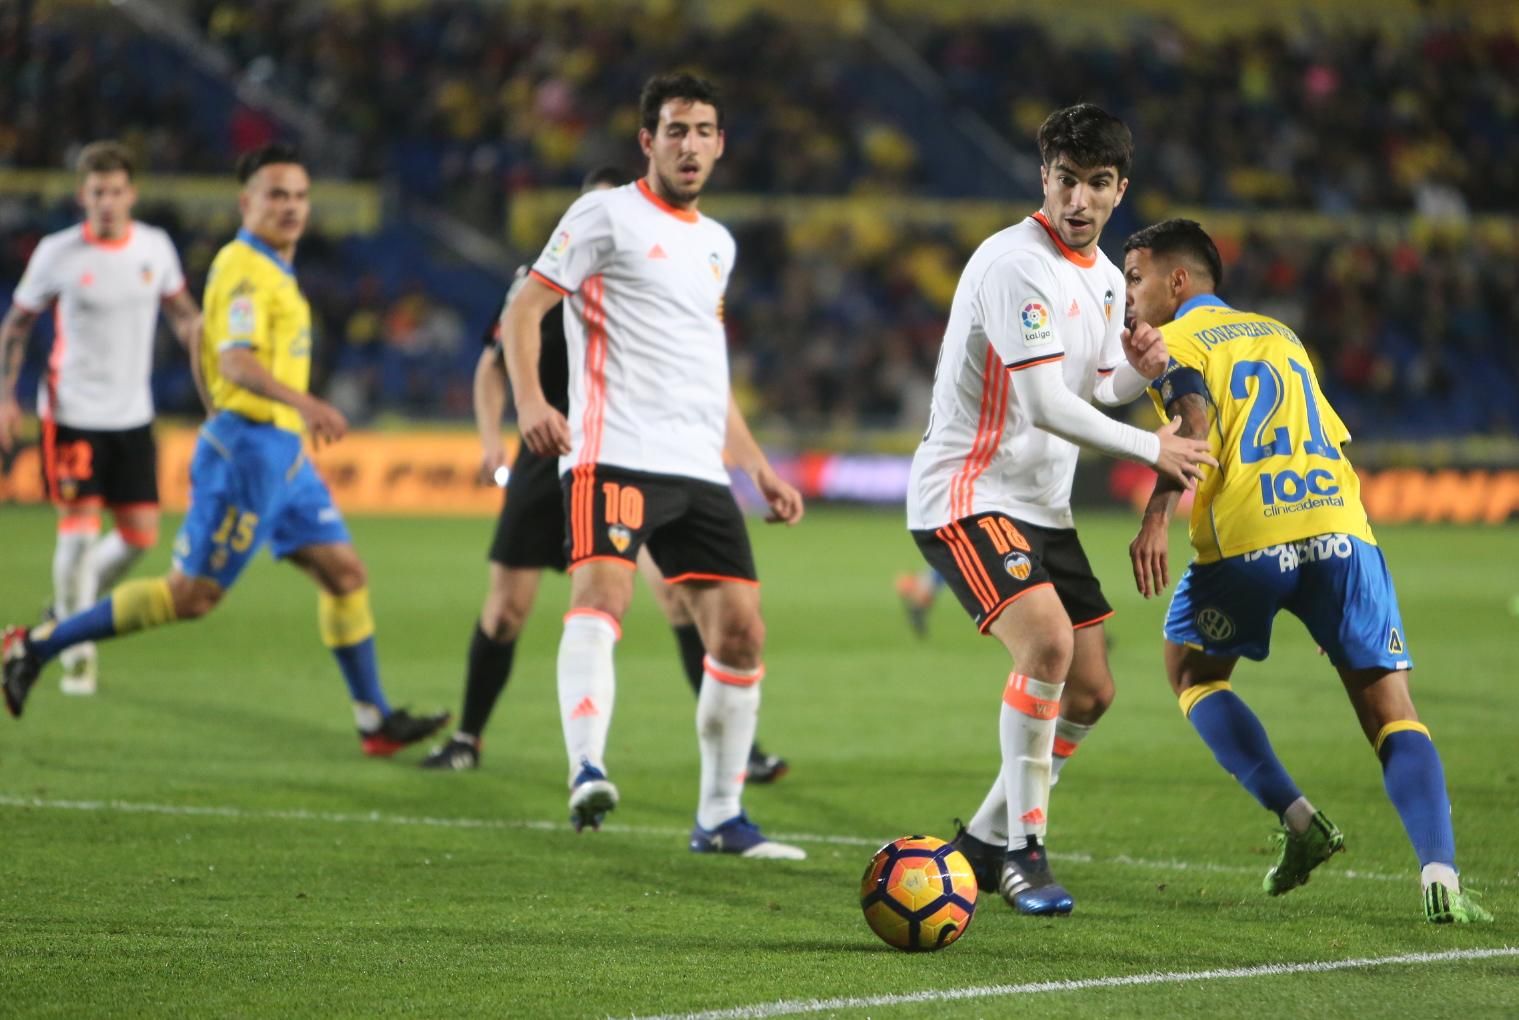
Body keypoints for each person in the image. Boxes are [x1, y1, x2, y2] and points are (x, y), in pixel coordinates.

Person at [3, 143, 450, 756]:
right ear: (247, 202)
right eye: (276, 195)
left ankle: (374, 719)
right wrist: (301, 404)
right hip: (250, 454)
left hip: (284, 455)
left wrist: (222, 408)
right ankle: (35, 646)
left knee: (345, 573)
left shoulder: (272, 267)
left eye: (299, 196)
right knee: (191, 596)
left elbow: (198, 336)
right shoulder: (244, 269)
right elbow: (235, 360)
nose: (291, 207)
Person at [1122, 218, 1491, 924]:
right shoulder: (1281, 335)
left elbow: (1192, 423)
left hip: (1249, 536)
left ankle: (1299, 821)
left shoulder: (1175, 342)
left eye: (1136, 278)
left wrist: (1155, 517)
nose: (1129, 295)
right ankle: (1440, 875)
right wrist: (1329, 588)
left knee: (1192, 674)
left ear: (1179, 280)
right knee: (1393, 714)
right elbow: (1327, 436)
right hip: (1339, 530)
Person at [907, 103, 1216, 915]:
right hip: (968, 493)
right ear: (1042, 178)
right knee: (1046, 644)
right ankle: (1024, 854)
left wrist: (1137, 365)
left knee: (1089, 691)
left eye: (1097, 183)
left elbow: (1095, 387)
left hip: (1040, 506)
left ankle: (980, 844)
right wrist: (1153, 448)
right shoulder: (1015, 265)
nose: (1079, 200)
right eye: (1066, 180)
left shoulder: (1107, 278)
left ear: (1120, 189)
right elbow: (1043, 402)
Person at [503, 73, 805, 859]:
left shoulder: (717, 244)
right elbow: (524, 308)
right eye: (675, 130)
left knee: (740, 633)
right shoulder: (603, 215)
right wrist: (530, 402)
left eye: (703, 131)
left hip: (697, 466)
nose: (689, 145)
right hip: (614, 452)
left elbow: (708, 375)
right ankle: (586, 767)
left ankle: (720, 817)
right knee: (603, 595)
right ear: (648, 141)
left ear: (720, 144)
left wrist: (757, 469)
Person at [422, 167, 788, 783]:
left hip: (628, 454)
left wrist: (751, 462)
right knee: (507, 609)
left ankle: (737, 752)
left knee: (678, 598)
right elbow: (492, 364)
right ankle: (468, 737)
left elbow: (706, 380)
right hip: (548, 453)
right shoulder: (538, 279)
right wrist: (496, 436)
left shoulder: (655, 279)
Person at [0, 141, 208, 696]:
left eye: (116, 191)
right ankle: (75, 654)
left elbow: (182, 313)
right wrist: (5, 397)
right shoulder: (58, 253)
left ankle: (65, 612)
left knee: (139, 536)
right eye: (98, 192)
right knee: (78, 533)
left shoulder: (155, 247)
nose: (108, 202)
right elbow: (16, 325)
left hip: (133, 415)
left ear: (131, 194)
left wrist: (206, 340)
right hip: (71, 412)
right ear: (82, 196)